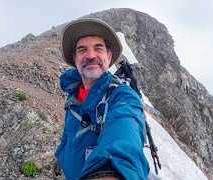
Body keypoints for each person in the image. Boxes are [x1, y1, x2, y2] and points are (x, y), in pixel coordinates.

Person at [53, 18, 149, 180]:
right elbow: (69, 134)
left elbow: (124, 139)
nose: (90, 55)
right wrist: (60, 155)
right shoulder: (73, 95)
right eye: (82, 50)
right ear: (75, 59)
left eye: (98, 48)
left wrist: (110, 173)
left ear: (109, 57)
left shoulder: (123, 96)